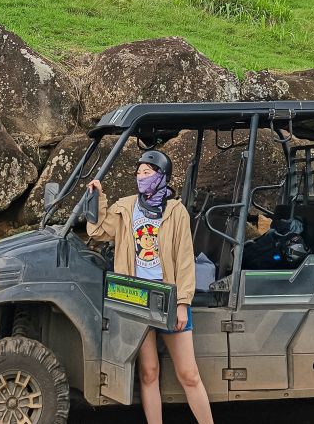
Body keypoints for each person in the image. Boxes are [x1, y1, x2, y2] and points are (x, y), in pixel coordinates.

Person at [87, 150, 214, 424]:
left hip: (168, 297)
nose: (141, 178)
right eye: (138, 173)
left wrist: (183, 304)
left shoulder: (175, 211)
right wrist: (98, 197)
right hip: (136, 297)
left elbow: (184, 259)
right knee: (149, 372)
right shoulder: (126, 206)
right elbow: (98, 231)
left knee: (189, 375)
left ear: (161, 176)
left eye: (147, 173)